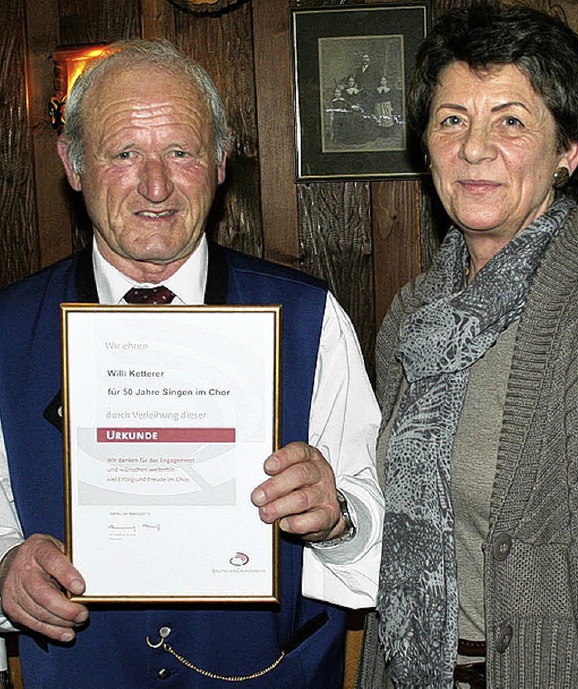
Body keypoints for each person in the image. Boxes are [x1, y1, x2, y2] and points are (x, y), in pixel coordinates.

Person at [0, 39, 384, 688]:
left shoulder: (313, 319)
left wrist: (338, 513)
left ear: (220, 162)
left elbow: (374, 532)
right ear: (72, 164)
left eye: (181, 151)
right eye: (124, 153)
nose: (156, 185)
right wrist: (8, 565)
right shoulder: (8, 330)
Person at [357, 4, 578, 688]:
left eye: (510, 120)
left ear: (566, 153)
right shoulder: (414, 314)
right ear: (426, 148)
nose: (474, 148)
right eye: (452, 119)